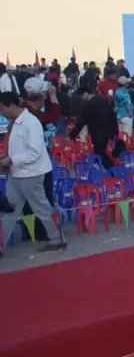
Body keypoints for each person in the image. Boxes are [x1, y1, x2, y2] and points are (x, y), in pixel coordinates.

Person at [0, 91, 66, 252]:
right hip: (16, 174)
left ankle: (57, 239)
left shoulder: (31, 122)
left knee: (41, 209)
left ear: (10, 105)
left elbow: (35, 152)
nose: (1, 113)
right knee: (9, 210)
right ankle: (1, 245)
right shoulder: (15, 123)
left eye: (2, 109)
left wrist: (11, 160)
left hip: (32, 174)